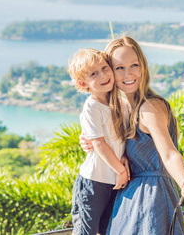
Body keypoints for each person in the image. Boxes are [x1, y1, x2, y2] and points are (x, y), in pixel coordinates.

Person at [80, 37, 184, 235]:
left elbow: (169, 153)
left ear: (143, 67)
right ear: (110, 72)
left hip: (153, 200)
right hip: (129, 201)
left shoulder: (149, 107)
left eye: (134, 65)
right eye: (119, 68)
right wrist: (88, 139)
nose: (128, 74)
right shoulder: (125, 109)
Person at [67, 48, 130, 235]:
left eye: (104, 68)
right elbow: (100, 144)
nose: (103, 75)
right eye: (94, 73)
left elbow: (122, 138)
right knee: (86, 232)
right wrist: (120, 170)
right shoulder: (91, 106)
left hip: (115, 182)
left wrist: (124, 158)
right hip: (93, 182)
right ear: (83, 83)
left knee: (109, 230)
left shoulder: (122, 104)